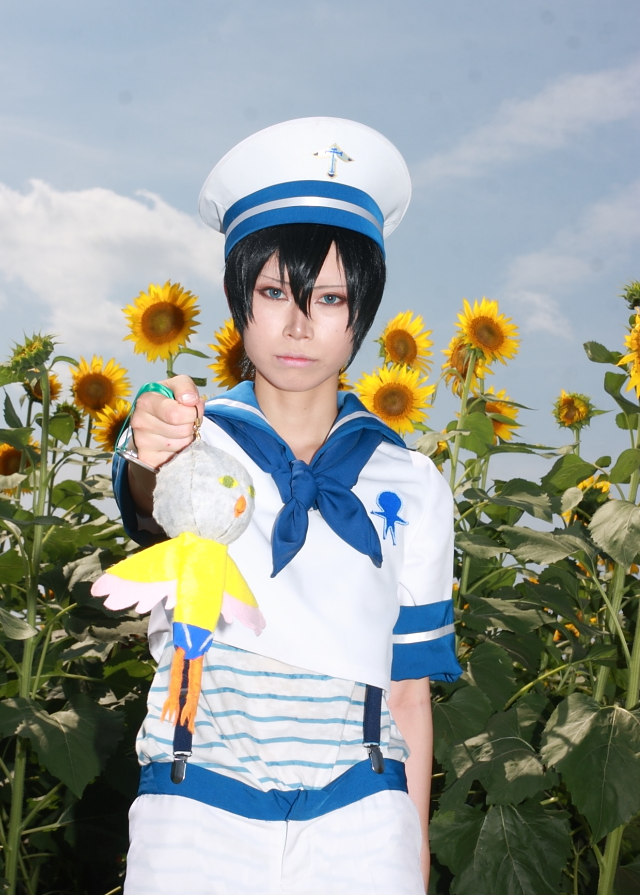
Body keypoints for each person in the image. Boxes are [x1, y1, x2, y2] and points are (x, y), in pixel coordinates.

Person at [111, 117, 460, 895]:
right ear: (237, 299)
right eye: (274, 292)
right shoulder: (190, 438)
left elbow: (408, 689)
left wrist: (411, 853)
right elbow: (148, 497)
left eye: (329, 298)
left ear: (362, 312)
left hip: (362, 814)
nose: (298, 324)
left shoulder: (412, 482)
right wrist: (151, 446)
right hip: (196, 808)